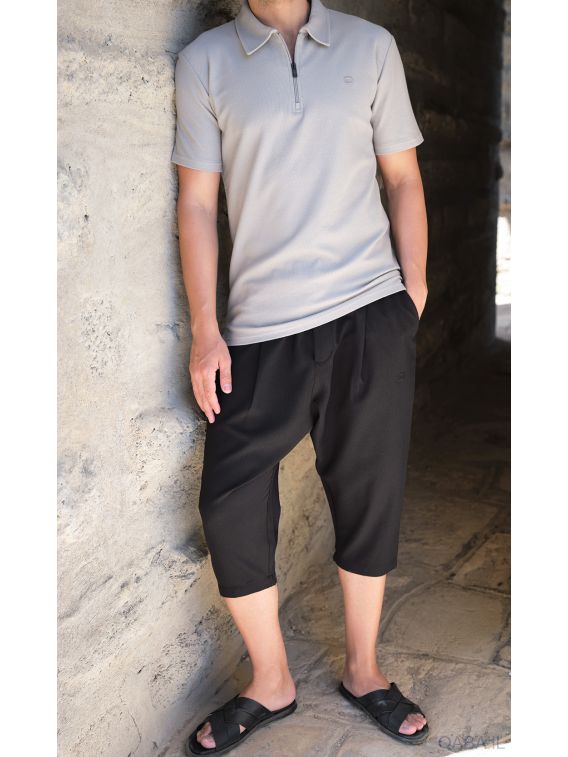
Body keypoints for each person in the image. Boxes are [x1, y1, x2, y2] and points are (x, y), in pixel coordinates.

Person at [171, 1, 429, 753]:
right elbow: (197, 201)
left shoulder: (370, 46)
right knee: (229, 498)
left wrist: (411, 293)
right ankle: (271, 680)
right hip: (259, 328)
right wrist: (206, 330)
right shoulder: (207, 61)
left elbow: (403, 177)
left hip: (367, 311)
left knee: (368, 491)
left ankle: (364, 670)